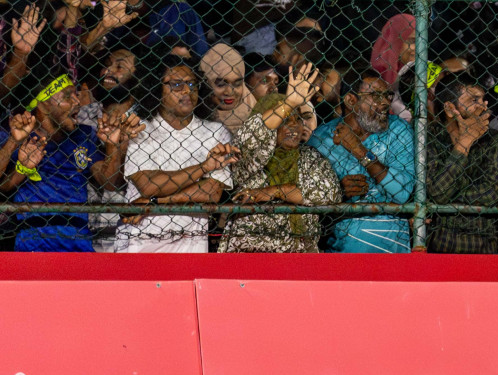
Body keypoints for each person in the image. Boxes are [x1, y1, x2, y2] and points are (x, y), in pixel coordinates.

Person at [0, 74, 140, 250]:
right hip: (33, 241)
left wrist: (112, 145)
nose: (77, 101)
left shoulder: (83, 135)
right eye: (67, 96)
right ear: (43, 104)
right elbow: (3, 185)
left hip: (78, 242)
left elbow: (110, 183)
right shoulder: (18, 134)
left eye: (76, 94)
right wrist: (14, 142)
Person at [119, 58, 241, 253]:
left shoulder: (215, 132)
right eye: (176, 85)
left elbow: (211, 192)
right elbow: (149, 185)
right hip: (139, 243)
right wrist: (203, 168)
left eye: (192, 84)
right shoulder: (141, 128)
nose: (186, 91)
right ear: (157, 88)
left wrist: (155, 203)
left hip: (190, 246)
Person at [224, 62, 340, 252]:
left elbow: (329, 193)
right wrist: (289, 103)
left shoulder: (310, 157)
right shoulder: (250, 157)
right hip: (251, 254)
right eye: (285, 120)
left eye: (298, 119)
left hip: (299, 255)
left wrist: (276, 191)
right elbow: (253, 134)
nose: (294, 126)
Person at [308, 68, 417, 252]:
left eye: (387, 96)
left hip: (389, 244)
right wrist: (337, 192)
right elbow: (306, 194)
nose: (384, 103)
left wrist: (359, 151)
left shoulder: (398, 130)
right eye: (375, 96)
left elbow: (401, 193)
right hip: (337, 245)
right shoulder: (321, 138)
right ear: (351, 100)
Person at [425, 74, 498, 254]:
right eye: (474, 100)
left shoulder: (496, 140)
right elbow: (438, 193)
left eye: (483, 100)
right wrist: (465, 142)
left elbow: (493, 192)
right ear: (450, 109)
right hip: (438, 243)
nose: (483, 106)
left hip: (483, 242)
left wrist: (441, 203)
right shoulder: (429, 136)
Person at [199, 43, 256, 133]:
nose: (229, 92)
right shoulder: (194, 121)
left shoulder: (255, 115)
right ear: (206, 83)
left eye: (237, 84)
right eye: (221, 84)